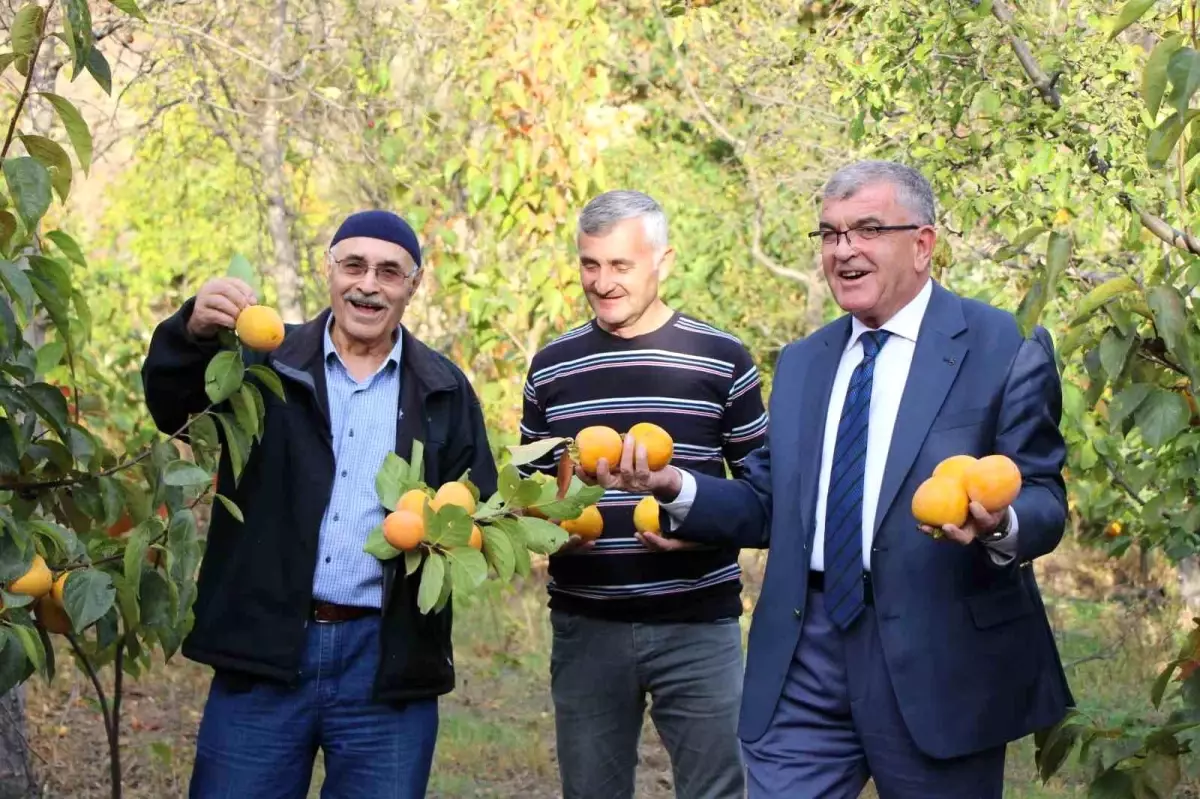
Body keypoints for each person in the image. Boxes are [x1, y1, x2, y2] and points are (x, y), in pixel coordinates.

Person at [588, 161, 1073, 798]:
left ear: (922, 244)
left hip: (938, 654)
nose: (843, 251)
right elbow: (770, 504)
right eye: (829, 234)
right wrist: (676, 485)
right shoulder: (803, 363)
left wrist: (999, 524)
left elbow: (1043, 496)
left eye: (867, 230)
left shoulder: (1000, 345)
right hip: (805, 648)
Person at [141, 210, 498, 798]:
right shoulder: (265, 362)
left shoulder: (443, 387)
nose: (367, 284)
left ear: (414, 285)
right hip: (267, 647)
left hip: (385, 662)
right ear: (328, 271)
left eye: (389, 272)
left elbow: (473, 505)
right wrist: (193, 331)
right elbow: (172, 404)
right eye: (352, 265)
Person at [516, 190, 767, 799]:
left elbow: (766, 503)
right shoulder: (551, 369)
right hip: (587, 626)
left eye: (620, 265)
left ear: (665, 261)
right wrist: (552, 522)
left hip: (698, 625)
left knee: (719, 792)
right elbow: (534, 500)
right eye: (589, 264)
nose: (601, 283)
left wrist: (695, 522)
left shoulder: (722, 359)